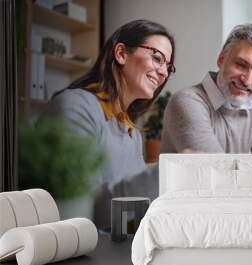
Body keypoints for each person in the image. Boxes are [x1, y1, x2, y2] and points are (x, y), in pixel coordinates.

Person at [41, 20, 176, 229]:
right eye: (157, 58)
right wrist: (168, 174)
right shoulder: (75, 107)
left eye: (168, 66)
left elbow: (133, 214)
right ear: (121, 53)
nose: (164, 73)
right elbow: (84, 213)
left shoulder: (133, 133)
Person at [161, 24, 252, 153]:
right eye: (241, 65)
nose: (247, 81)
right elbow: (216, 170)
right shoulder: (187, 101)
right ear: (221, 59)